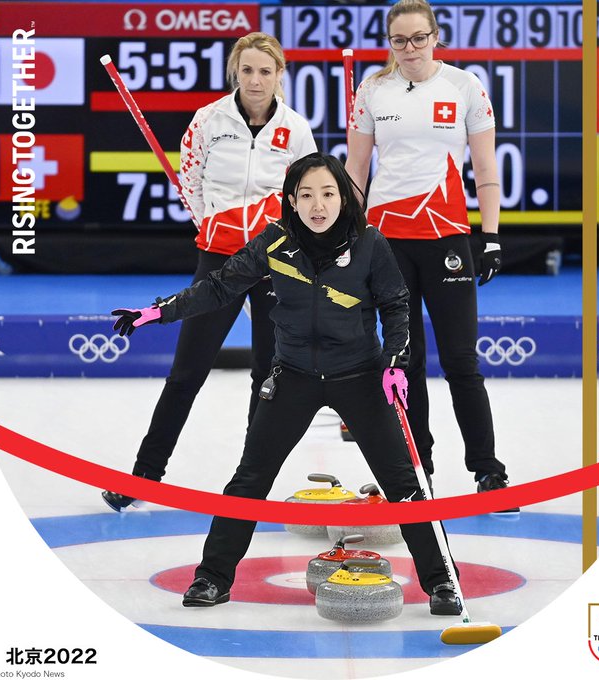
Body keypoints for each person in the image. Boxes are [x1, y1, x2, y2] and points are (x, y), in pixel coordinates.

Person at [111, 152, 462, 615]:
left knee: (403, 482)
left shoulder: (370, 242)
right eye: (307, 195)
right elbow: (219, 286)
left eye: (328, 193)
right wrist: (158, 311)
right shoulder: (274, 241)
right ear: (291, 201)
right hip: (293, 375)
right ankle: (212, 578)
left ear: (344, 197)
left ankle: (442, 582)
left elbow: (396, 306)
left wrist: (395, 363)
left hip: (359, 375)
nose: (319, 205)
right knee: (249, 478)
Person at [102, 33, 317, 511]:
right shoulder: (208, 120)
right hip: (219, 259)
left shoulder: (296, 129)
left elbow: (304, 194)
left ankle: (250, 484)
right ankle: (144, 476)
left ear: (279, 75)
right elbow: (191, 182)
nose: (256, 80)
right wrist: (216, 227)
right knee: (187, 372)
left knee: (268, 376)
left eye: (265, 71)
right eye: (247, 70)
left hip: (274, 264)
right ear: (235, 71)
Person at [344, 0, 517, 511]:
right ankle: (418, 472)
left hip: (447, 238)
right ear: (389, 43)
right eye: (399, 40)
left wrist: (490, 236)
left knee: (462, 361)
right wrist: (346, 235)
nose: (410, 48)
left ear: (435, 36)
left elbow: (485, 168)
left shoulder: (465, 86)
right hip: (386, 242)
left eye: (419, 38)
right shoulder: (372, 89)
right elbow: (356, 170)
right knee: (404, 360)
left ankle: (489, 472)